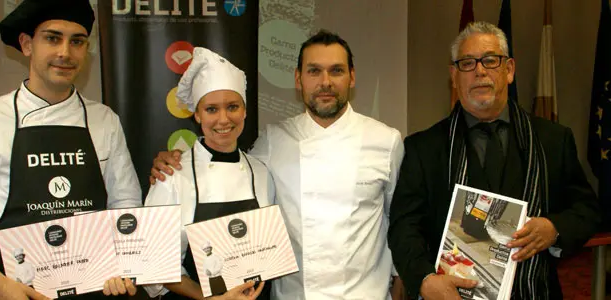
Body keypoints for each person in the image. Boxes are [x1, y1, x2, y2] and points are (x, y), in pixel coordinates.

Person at [151, 30, 405, 300]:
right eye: (314, 71)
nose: (325, 82)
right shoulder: (273, 140)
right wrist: (168, 161)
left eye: (337, 71)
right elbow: (225, 166)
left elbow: (399, 222)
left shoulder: (386, 141)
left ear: (352, 77)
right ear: (299, 79)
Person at [0, 1, 141, 299]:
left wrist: (124, 267)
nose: (65, 53)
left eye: (77, 41)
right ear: (27, 44)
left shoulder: (104, 120)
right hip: (16, 289)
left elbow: (125, 203)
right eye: (53, 38)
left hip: (97, 288)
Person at [388, 21, 601, 300]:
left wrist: (554, 229)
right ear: (454, 75)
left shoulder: (553, 140)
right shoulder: (423, 148)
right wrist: (425, 280)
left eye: (490, 60)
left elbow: (586, 210)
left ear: (509, 70)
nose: (479, 71)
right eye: (467, 63)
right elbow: (404, 227)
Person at [143, 47, 269, 300]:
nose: (224, 119)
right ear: (197, 115)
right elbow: (154, 264)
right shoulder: (171, 174)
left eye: (233, 107)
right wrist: (209, 297)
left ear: (245, 111)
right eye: (212, 109)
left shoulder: (261, 171)